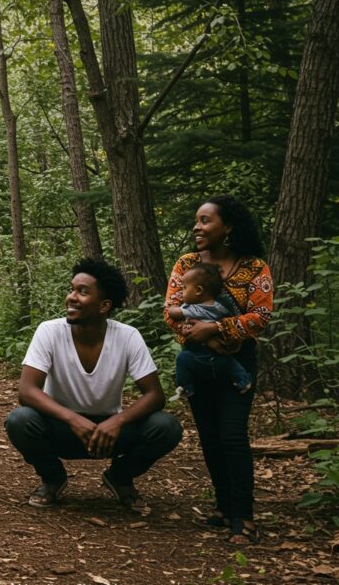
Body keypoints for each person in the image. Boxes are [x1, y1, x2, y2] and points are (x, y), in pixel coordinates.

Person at [5, 258, 182, 513]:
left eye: (83, 291)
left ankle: (119, 478)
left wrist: (117, 422)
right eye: (72, 289)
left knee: (167, 427)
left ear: (104, 305)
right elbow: (27, 390)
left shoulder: (127, 336)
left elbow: (155, 395)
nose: (72, 297)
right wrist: (73, 419)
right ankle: (53, 479)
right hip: (61, 429)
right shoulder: (50, 331)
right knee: (19, 420)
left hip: (109, 434)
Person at [163, 195, 273, 545]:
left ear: (228, 227)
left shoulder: (255, 268)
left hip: (237, 365)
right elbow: (170, 311)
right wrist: (204, 337)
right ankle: (224, 507)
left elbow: (261, 316)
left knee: (232, 436)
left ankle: (245, 517)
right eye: (196, 220)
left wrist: (218, 329)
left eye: (206, 220)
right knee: (210, 438)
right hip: (197, 363)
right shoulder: (187, 264)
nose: (197, 226)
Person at [166, 262, 252, 400]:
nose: (181, 292)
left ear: (199, 290)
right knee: (229, 362)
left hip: (199, 355)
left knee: (182, 359)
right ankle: (243, 381)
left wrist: (175, 308)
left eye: (184, 288)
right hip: (219, 352)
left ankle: (185, 387)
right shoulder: (220, 306)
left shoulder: (195, 308)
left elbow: (172, 313)